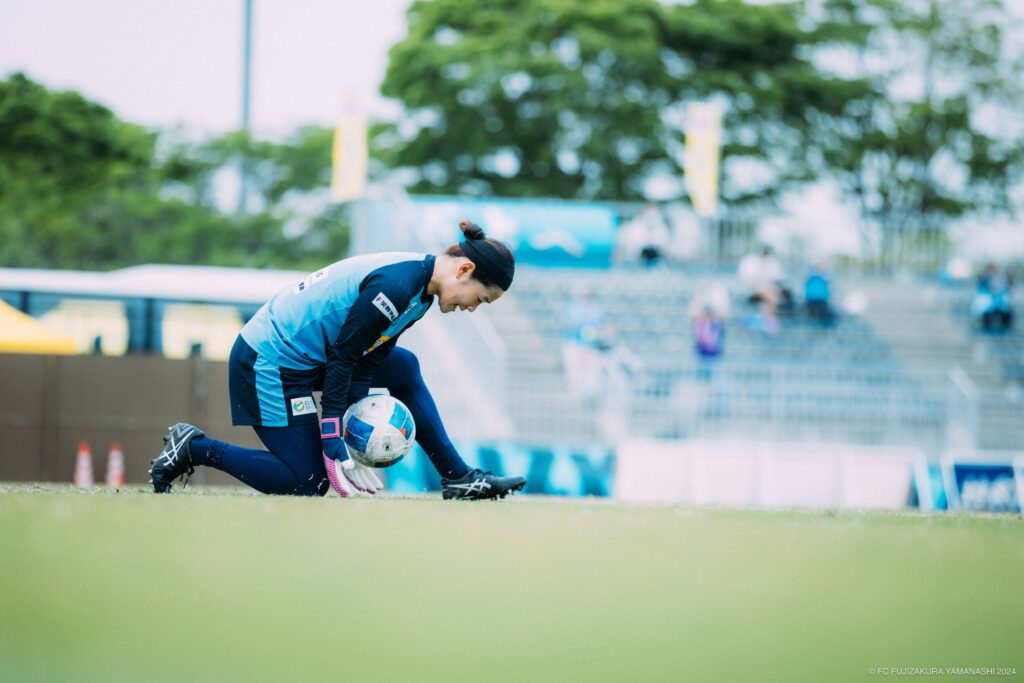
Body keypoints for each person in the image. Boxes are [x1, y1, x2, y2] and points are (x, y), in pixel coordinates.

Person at [149, 219, 527, 501]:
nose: (472, 308)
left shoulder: (421, 294)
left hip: (308, 361)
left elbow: (367, 358)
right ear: (464, 270)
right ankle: (193, 447)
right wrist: (333, 433)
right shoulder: (396, 288)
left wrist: (354, 426)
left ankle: (458, 478)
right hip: (267, 361)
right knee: (307, 482)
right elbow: (344, 357)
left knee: (403, 366)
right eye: (480, 299)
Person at [971, 262, 1014, 333]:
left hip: (999, 305)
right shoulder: (984, 281)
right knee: (987, 320)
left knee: (1005, 318)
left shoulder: (1001, 280)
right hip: (989, 306)